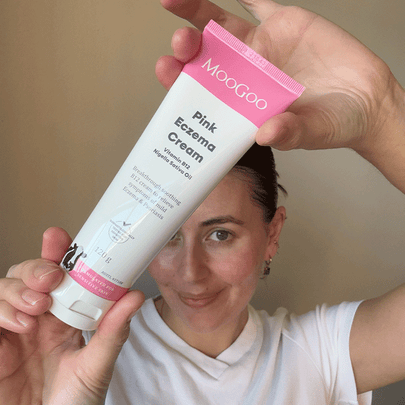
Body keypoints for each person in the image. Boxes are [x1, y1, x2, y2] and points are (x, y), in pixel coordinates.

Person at [1, 0, 404, 403]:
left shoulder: (321, 354)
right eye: (165, 236)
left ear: (272, 234)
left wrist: (383, 113)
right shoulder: (69, 353)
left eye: (220, 234)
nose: (191, 273)